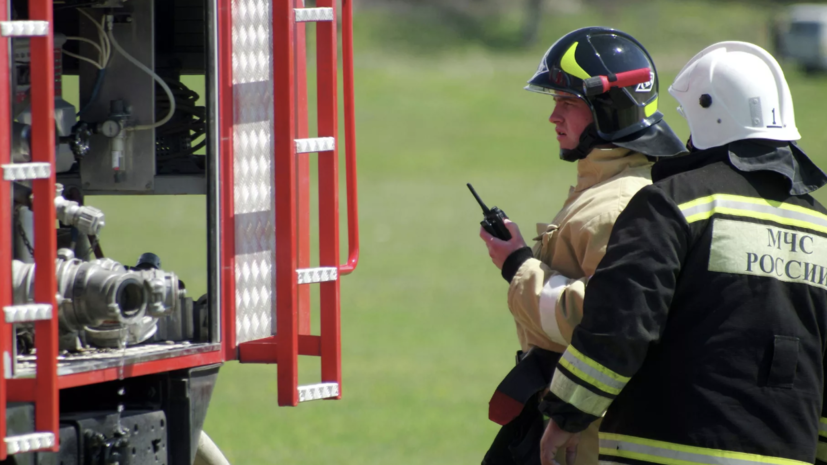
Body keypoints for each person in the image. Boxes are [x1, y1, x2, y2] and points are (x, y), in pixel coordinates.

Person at [537, 41, 827, 465]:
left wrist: (566, 415)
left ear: (709, 112)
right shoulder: (821, 228)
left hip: (665, 449)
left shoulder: (673, 204)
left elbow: (621, 322)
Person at [479, 27, 686, 465]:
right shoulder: (608, 187)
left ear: (608, 109)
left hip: (585, 437)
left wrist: (518, 266)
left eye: (568, 103)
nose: (553, 117)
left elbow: (604, 322)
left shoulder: (617, 205)